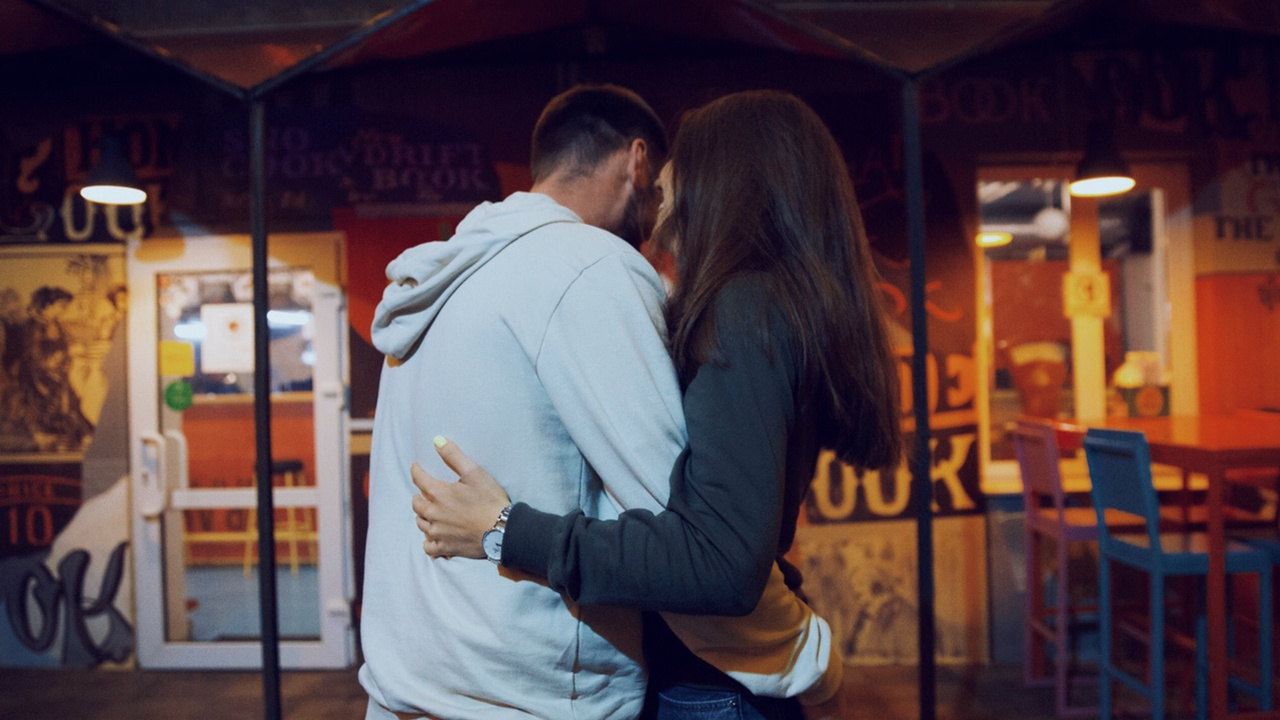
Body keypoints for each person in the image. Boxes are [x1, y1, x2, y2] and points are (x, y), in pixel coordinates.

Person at [412, 89, 902, 720]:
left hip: (711, 690)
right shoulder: (767, 306)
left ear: (727, 175)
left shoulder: (745, 309)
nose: (662, 174)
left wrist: (508, 531)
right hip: (721, 686)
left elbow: (719, 560)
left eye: (685, 153)